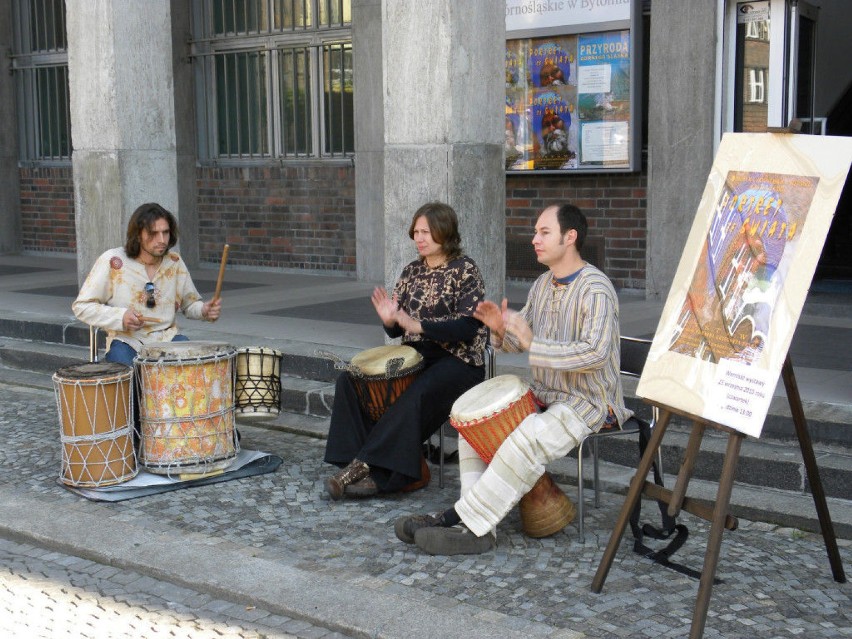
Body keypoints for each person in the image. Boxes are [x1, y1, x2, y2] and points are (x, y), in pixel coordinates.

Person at [394, 203, 632, 555]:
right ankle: (473, 523)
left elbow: (594, 354)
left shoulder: (596, 289)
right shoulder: (542, 284)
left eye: (544, 232)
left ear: (571, 237)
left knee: (526, 437)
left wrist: (534, 343)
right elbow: (516, 344)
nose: (534, 239)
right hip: (545, 395)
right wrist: (497, 330)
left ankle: (468, 525)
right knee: (473, 428)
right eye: (535, 232)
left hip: (589, 403)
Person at [323, 202, 488, 500]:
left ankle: (373, 470)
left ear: (445, 233)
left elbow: (467, 326)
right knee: (350, 380)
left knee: (417, 392)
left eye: (427, 232)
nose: (419, 238)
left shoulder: (465, 270)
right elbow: (399, 329)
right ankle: (357, 459)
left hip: (460, 361)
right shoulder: (411, 271)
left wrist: (418, 324)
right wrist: (390, 322)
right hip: (417, 356)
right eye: (416, 231)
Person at [72, 202, 222, 367]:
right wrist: (120, 316)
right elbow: (82, 307)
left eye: (165, 232)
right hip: (127, 340)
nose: (162, 240)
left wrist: (204, 310)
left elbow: (190, 304)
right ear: (137, 235)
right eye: (153, 234)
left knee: (191, 368)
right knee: (127, 372)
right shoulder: (114, 261)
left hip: (167, 338)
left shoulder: (174, 262)